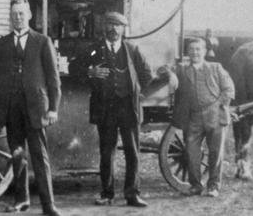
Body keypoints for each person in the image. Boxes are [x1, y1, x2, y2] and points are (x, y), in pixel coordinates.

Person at [70, 11, 176, 207]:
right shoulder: (95, 50)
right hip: (105, 108)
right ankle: (107, 193)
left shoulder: (132, 50)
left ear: (123, 29)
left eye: (117, 25)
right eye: (110, 24)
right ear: (104, 27)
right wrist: (89, 72)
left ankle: (132, 194)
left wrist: (137, 93)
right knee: (106, 152)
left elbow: (146, 76)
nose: (113, 29)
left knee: (132, 152)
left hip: (128, 108)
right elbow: (73, 68)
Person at [0, 0, 62, 216]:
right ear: (10, 17)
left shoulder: (42, 41)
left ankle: (48, 205)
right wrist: (5, 96)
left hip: (36, 109)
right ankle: (21, 201)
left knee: (40, 158)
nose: (18, 18)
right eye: (14, 14)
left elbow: (53, 78)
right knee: (17, 155)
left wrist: (53, 108)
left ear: (29, 15)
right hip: (12, 109)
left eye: (21, 14)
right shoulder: (2, 43)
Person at [171, 37, 235, 197]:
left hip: (215, 115)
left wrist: (219, 105)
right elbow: (165, 68)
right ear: (187, 52)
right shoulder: (182, 70)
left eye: (198, 49)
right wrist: (169, 73)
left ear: (205, 51)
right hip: (193, 117)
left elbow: (229, 89)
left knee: (215, 153)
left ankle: (213, 186)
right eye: (192, 49)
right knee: (191, 153)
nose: (195, 52)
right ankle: (196, 186)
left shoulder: (216, 67)